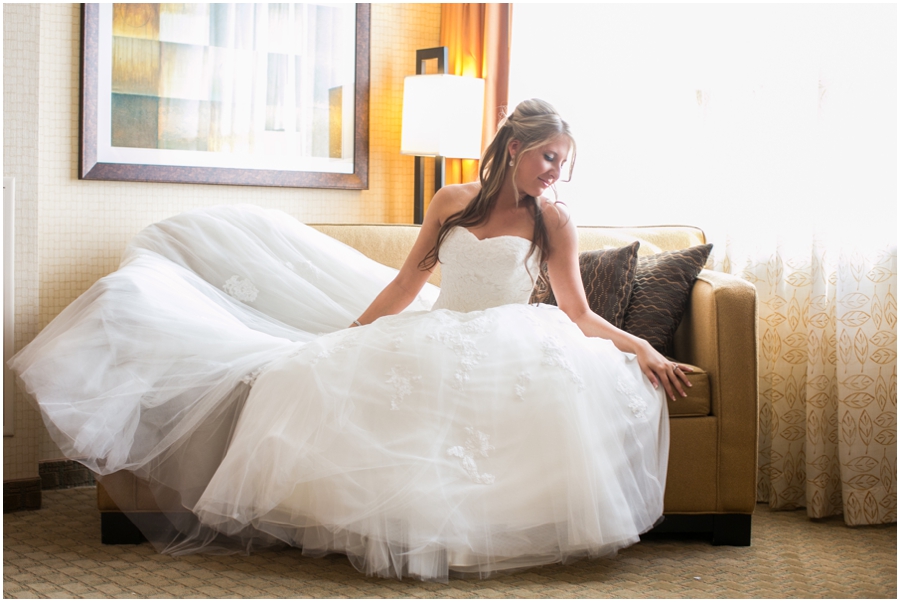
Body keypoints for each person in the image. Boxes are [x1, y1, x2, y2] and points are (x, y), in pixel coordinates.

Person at [10, 99, 690, 582]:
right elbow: (406, 282)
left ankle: (464, 536)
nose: (555, 173)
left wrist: (645, 350)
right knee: (320, 379)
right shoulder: (451, 201)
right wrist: (352, 334)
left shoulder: (555, 223)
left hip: (515, 338)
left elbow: (577, 313)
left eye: (564, 164)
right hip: (438, 325)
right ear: (515, 149)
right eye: (549, 157)